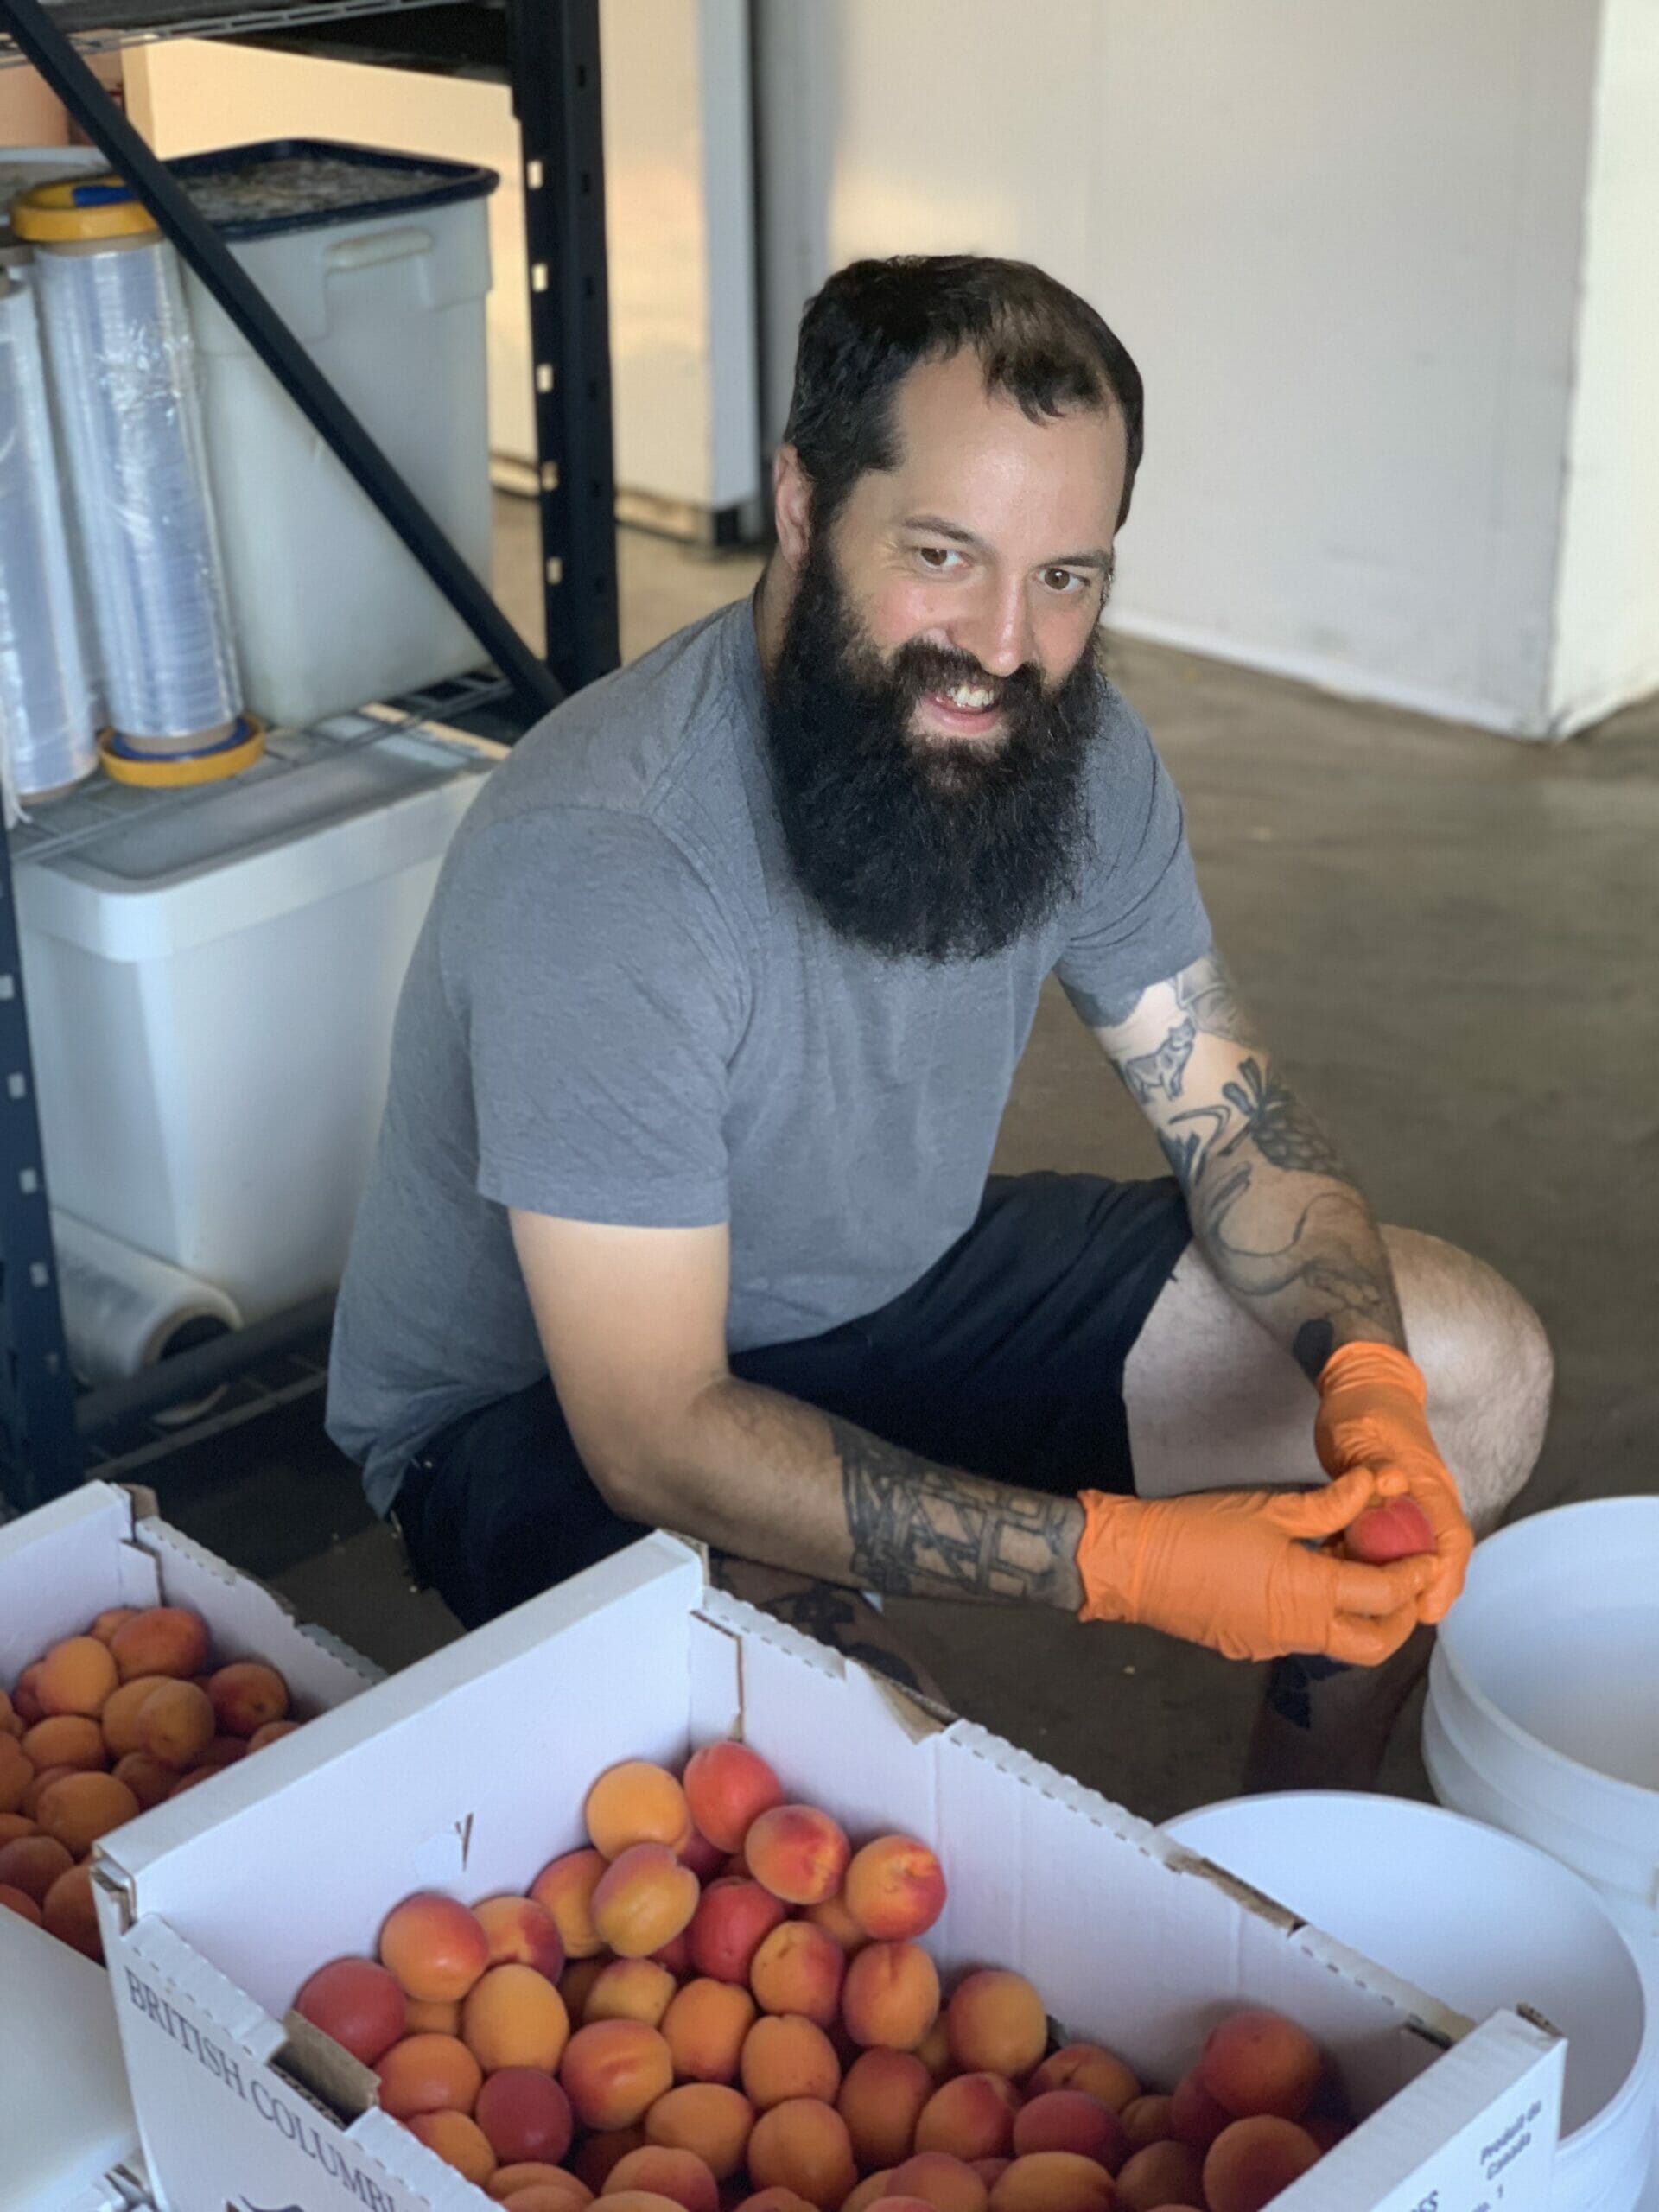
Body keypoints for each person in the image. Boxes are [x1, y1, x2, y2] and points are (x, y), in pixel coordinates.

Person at [327, 254, 1552, 1789]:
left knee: (1471, 1371)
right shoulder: (609, 855)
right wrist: (1132, 1563)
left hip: (882, 1287)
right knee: (888, 1786)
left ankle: (1298, 1860)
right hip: (559, 1404)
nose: (1001, 644)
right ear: (799, 503)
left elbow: (1227, 1117)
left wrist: (1366, 1382)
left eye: (1067, 577)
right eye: (942, 552)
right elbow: (653, 1428)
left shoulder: (1076, 751)